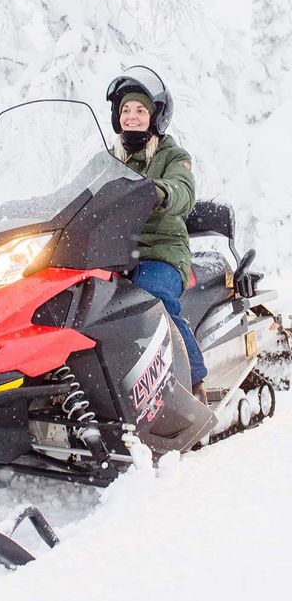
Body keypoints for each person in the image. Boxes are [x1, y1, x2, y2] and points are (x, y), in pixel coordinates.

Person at [106, 65, 208, 404]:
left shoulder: (172, 156)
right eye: (125, 110)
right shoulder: (108, 160)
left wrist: (160, 191)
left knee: (152, 300)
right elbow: (80, 192)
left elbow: (183, 190)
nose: (132, 117)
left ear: (155, 117)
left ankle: (193, 385)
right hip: (115, 255)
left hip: (162, 253)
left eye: (140, 110)